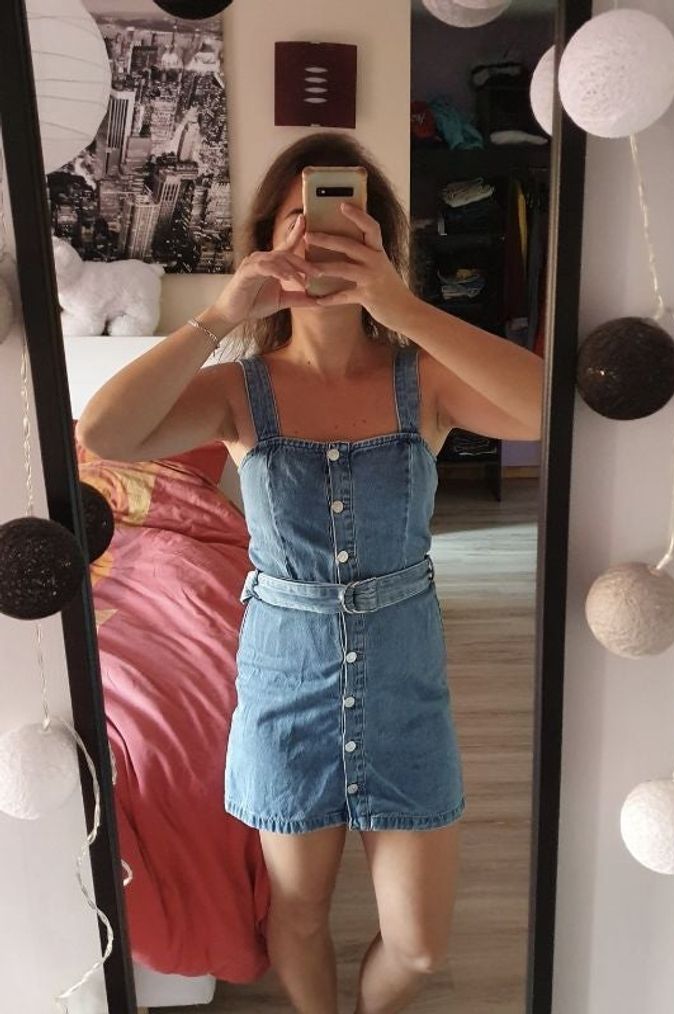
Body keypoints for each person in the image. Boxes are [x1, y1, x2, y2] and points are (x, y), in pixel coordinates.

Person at [77, 132, 543, 1014]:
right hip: (284, 680)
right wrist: (220, 315)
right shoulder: (237, 391)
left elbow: (547, 407)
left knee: (420, 943)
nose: (324, 237)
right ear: (266, 240)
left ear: (384, 241)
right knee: (297, 911)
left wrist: (402, 307)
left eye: (348, 220)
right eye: (301, 219)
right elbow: (104, 435)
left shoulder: (424, 380)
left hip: (405, 682)